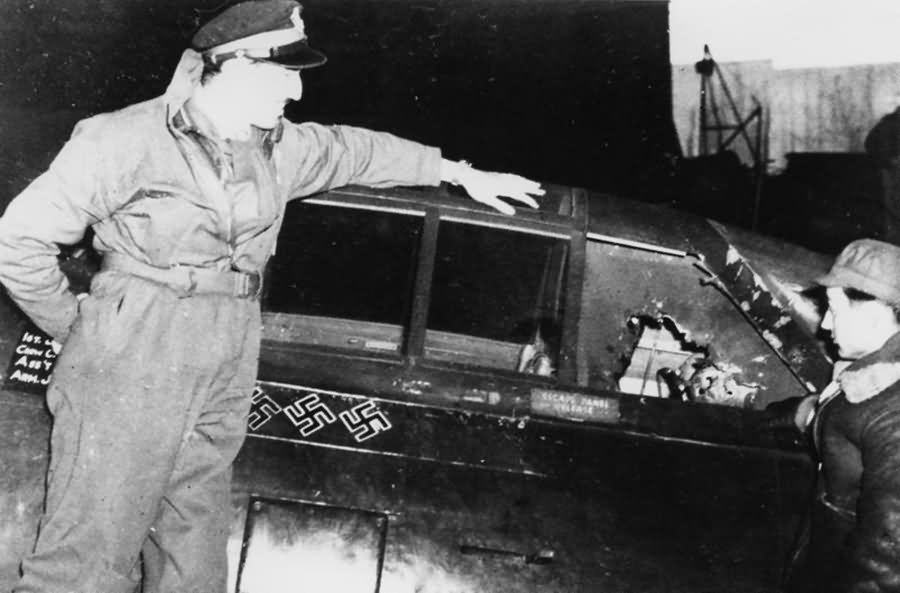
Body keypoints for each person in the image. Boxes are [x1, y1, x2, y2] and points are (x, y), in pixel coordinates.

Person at [0, 2, 544, 592]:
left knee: (192, 558)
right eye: (286, 73)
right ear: (234, 65)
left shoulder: (279, 147)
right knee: (87, 559)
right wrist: (84, 328)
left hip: (230, 344)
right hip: (138, 341)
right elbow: (17, 242)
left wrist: (459, 173)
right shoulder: (125, 138)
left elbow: (355, 150)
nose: (298, 91)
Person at [772, 239, 900, 593]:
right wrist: (788, 414)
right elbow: (840, 413)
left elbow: (887, 564)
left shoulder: (894, 408)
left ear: (876, 311)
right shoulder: (874, 373)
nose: (825, 324)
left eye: (834, 308)